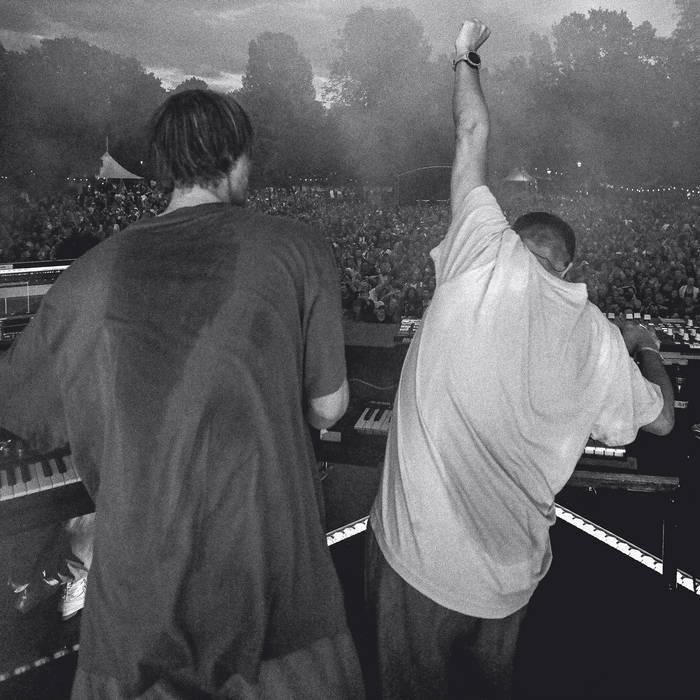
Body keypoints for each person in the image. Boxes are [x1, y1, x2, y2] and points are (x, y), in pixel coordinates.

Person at [0, 89, 364, 699]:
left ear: (164, 165)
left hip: (137, 605)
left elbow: (25, 406)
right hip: (269, 582)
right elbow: (328, 408)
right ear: (238, 157)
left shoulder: (89, 274)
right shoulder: (298, 249)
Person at [365, 18, 674, 700]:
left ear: (512, 235)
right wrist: (646, 348)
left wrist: (465, 56)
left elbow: (471, 132)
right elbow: (661, 422)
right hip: (509, 586)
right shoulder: (597, 336)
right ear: (571, 267)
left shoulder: (482, 250)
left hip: (419, 564)